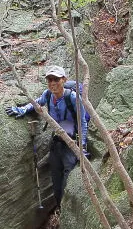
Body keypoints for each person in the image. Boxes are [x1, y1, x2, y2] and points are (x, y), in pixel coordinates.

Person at [6, 65, 89, 206]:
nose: (52, 83)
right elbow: (37, 103)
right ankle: (59, 209)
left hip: (71, 145)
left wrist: (81, 147)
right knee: (56, 185)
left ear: (64, 80)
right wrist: (22, 109)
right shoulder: (48, 95)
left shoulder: (73, 98)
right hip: (56, 144)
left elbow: (83, 123)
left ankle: (64, 211)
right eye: (49, 79)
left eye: (56, 79)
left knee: (66, 185)